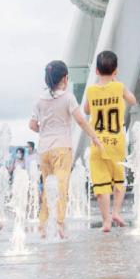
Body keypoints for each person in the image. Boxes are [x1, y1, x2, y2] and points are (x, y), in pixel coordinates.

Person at [30, 59, 95, 239]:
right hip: (62, 148)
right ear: (65, 78)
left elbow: (32, 125)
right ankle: (59, 225)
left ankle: (43, 227)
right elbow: (80, 120)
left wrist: (45, 130)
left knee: (47, 187)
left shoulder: (39, 100)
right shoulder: (68, 97)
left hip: (44, 150)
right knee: (61, 187)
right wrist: (94, 137)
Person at [83, 49, 137, 232]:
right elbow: (133, 100)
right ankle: (116, 212)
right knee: (119, 180)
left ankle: (106, 221)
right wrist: (116, 85)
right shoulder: (119, 87)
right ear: (115, 71)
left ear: (96, 71)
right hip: (117, 143)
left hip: (97, 143)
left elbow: (87, 110)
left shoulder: (91, 90)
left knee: (101, 184)